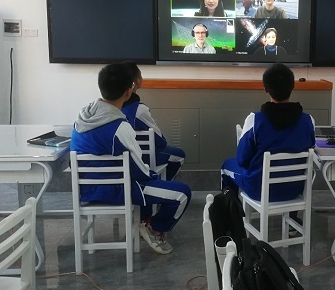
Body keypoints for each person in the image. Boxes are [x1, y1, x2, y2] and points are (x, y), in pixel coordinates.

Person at [70, 63, 191, 254]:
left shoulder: (82, 117)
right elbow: (140, 171)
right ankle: (153, 228)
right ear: (128, 92)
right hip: (117, 190)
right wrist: (155, 178)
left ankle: (146, 221)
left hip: (86, 190)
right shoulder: (120, 127)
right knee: (182, 193)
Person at [221, 62, 315, 207]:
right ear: (293, 86)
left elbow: (242, 160)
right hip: (295, 190)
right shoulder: (308, 121)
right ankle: (292, 219)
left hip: (258, 190)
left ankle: (232, 217)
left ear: (265, 88)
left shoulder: (254, 120)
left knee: (226, 166)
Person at [122, 62, 186, 180]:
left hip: (118, 160)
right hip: (139, 158)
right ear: (137, 82)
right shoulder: (139, 110)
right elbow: (160, 141)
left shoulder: (104, 111)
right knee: (179, 155)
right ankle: (160, 184)